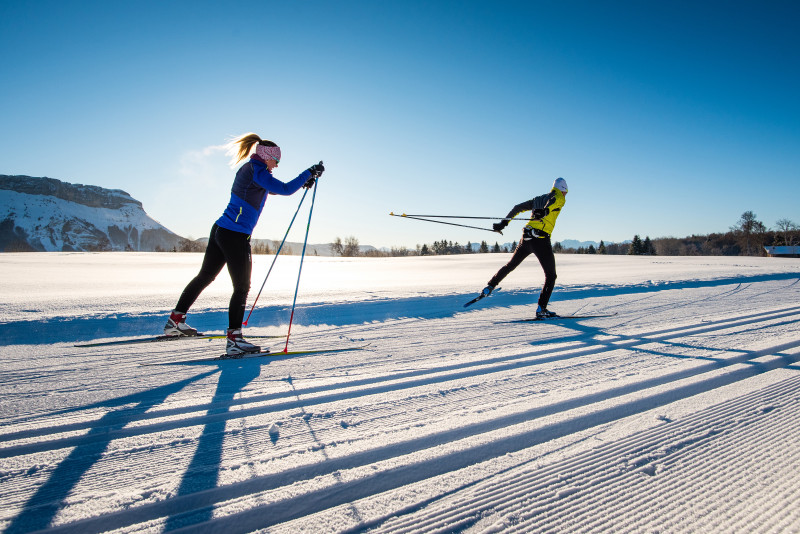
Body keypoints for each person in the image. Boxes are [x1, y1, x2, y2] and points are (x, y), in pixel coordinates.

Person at [164, 133, 324, 355]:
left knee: (206, 276)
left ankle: (175, 321)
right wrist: (308, 172)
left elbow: (276, 188)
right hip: (234, 234)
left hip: (221, 229)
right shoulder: (256, 170)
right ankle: (235, 340)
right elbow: (286, 189)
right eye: (276, 161)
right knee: (241, 287)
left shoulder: (253, 171)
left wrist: (303, 181)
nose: (277, 165)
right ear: (267, 156)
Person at [481, 177, 568, 319]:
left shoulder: (539, 198)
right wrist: (545, 212)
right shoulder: (559, 197)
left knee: (510, 265)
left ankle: (490, 286)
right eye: (566, 192)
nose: (565, 195)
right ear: (563, 190)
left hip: (526, 237)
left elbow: (517, 208)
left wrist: (503, 223)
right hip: (540, 239)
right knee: (551, 276)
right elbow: (552, 203)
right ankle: (542, 309)